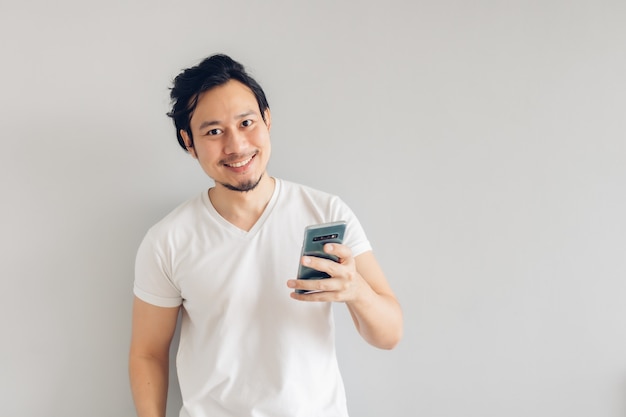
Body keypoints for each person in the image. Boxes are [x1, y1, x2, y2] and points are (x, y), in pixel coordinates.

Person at [129, 53, 403, 417]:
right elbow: (147, 353)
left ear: (267, 119)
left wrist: (356, 292)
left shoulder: (326, 213)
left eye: (246, 122)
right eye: (214, 131)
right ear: (188, 141)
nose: (236, 145)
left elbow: (389, 335)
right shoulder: (168, 239)